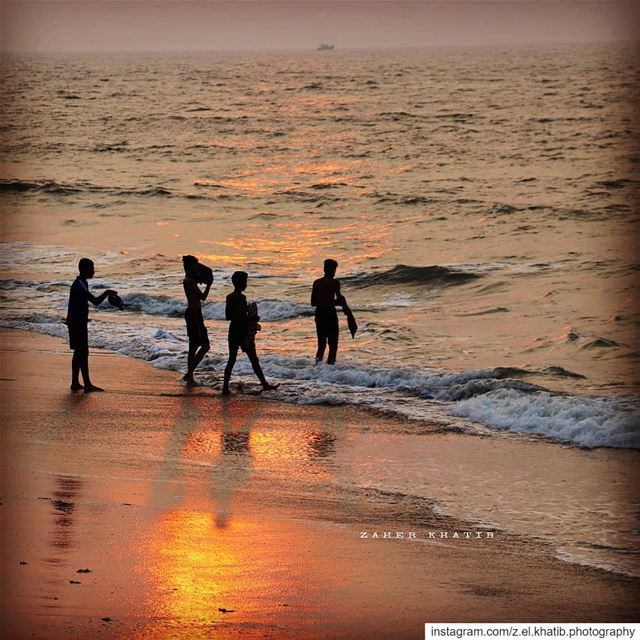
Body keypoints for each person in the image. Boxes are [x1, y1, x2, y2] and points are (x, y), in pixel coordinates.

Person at [222, 271, 278, 395]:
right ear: (241, 283)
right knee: (254, 359)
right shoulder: (241, 298)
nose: (246, 284)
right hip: (243, 331)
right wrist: (253, 318)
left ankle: (224, 388)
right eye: (245, 281)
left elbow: (228, 316)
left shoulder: (229, 297)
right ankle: (265, 384)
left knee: (231, 359)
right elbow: (241, 317)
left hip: (233, 330)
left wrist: (245, 311)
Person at [66, 258, 117, 392]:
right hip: (77, 323)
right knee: (82, 352)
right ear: (84, 269)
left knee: (79, 352)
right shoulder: (79, 286)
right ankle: (87, 384)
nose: (94, 271)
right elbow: (95, 301)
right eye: (91, 268)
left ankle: (76, 383)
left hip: (77, 322)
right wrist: (106, 292)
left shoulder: (82, 283)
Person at [182, 255, 211, 386]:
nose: (197, 267)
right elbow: (203, 297)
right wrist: (209, 285)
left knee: (193, 346)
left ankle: (190, 375)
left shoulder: (189, 280)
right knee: (204, 345)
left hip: (194, 313)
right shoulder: (189, 281)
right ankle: (189, 374)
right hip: (194, 313)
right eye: (195, 265)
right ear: (189, 266)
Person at [311, 258, 344, 364]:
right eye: (334, 270)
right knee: (333, 345)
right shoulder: (335, 283)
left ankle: (317, 367)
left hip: (319, 314)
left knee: (321, 345)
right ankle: (330, 368)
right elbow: (339, 300)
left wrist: (324, 300)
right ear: (332, 270)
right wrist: (336, 301)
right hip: (330, 314)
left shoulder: (316, 283)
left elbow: (313, 302)